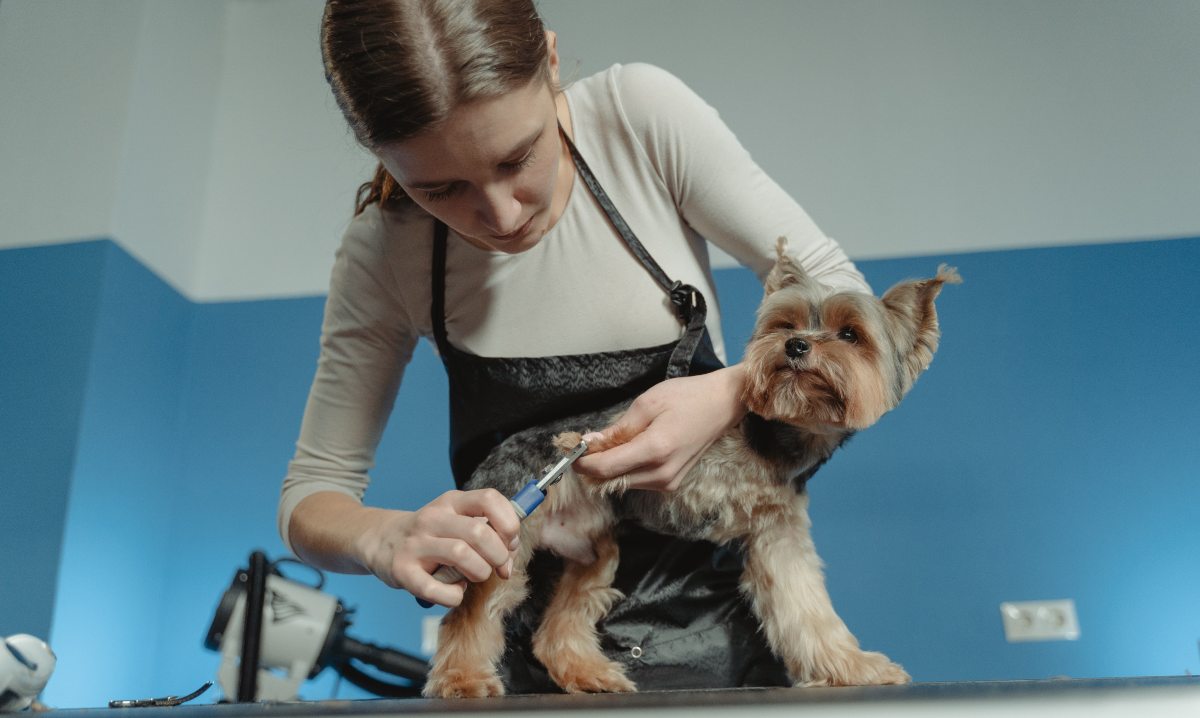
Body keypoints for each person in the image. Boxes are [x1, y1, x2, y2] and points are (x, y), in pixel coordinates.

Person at [281, 0, 870, 692]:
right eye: (440, 189)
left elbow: (845, 300)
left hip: (726, 657)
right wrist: (383, 539)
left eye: (517, 157)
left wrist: (729, 390)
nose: (500, 215)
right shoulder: (386, 251)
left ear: (552, 61)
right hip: (521, 679)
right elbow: (312, 493)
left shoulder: (639, 120)